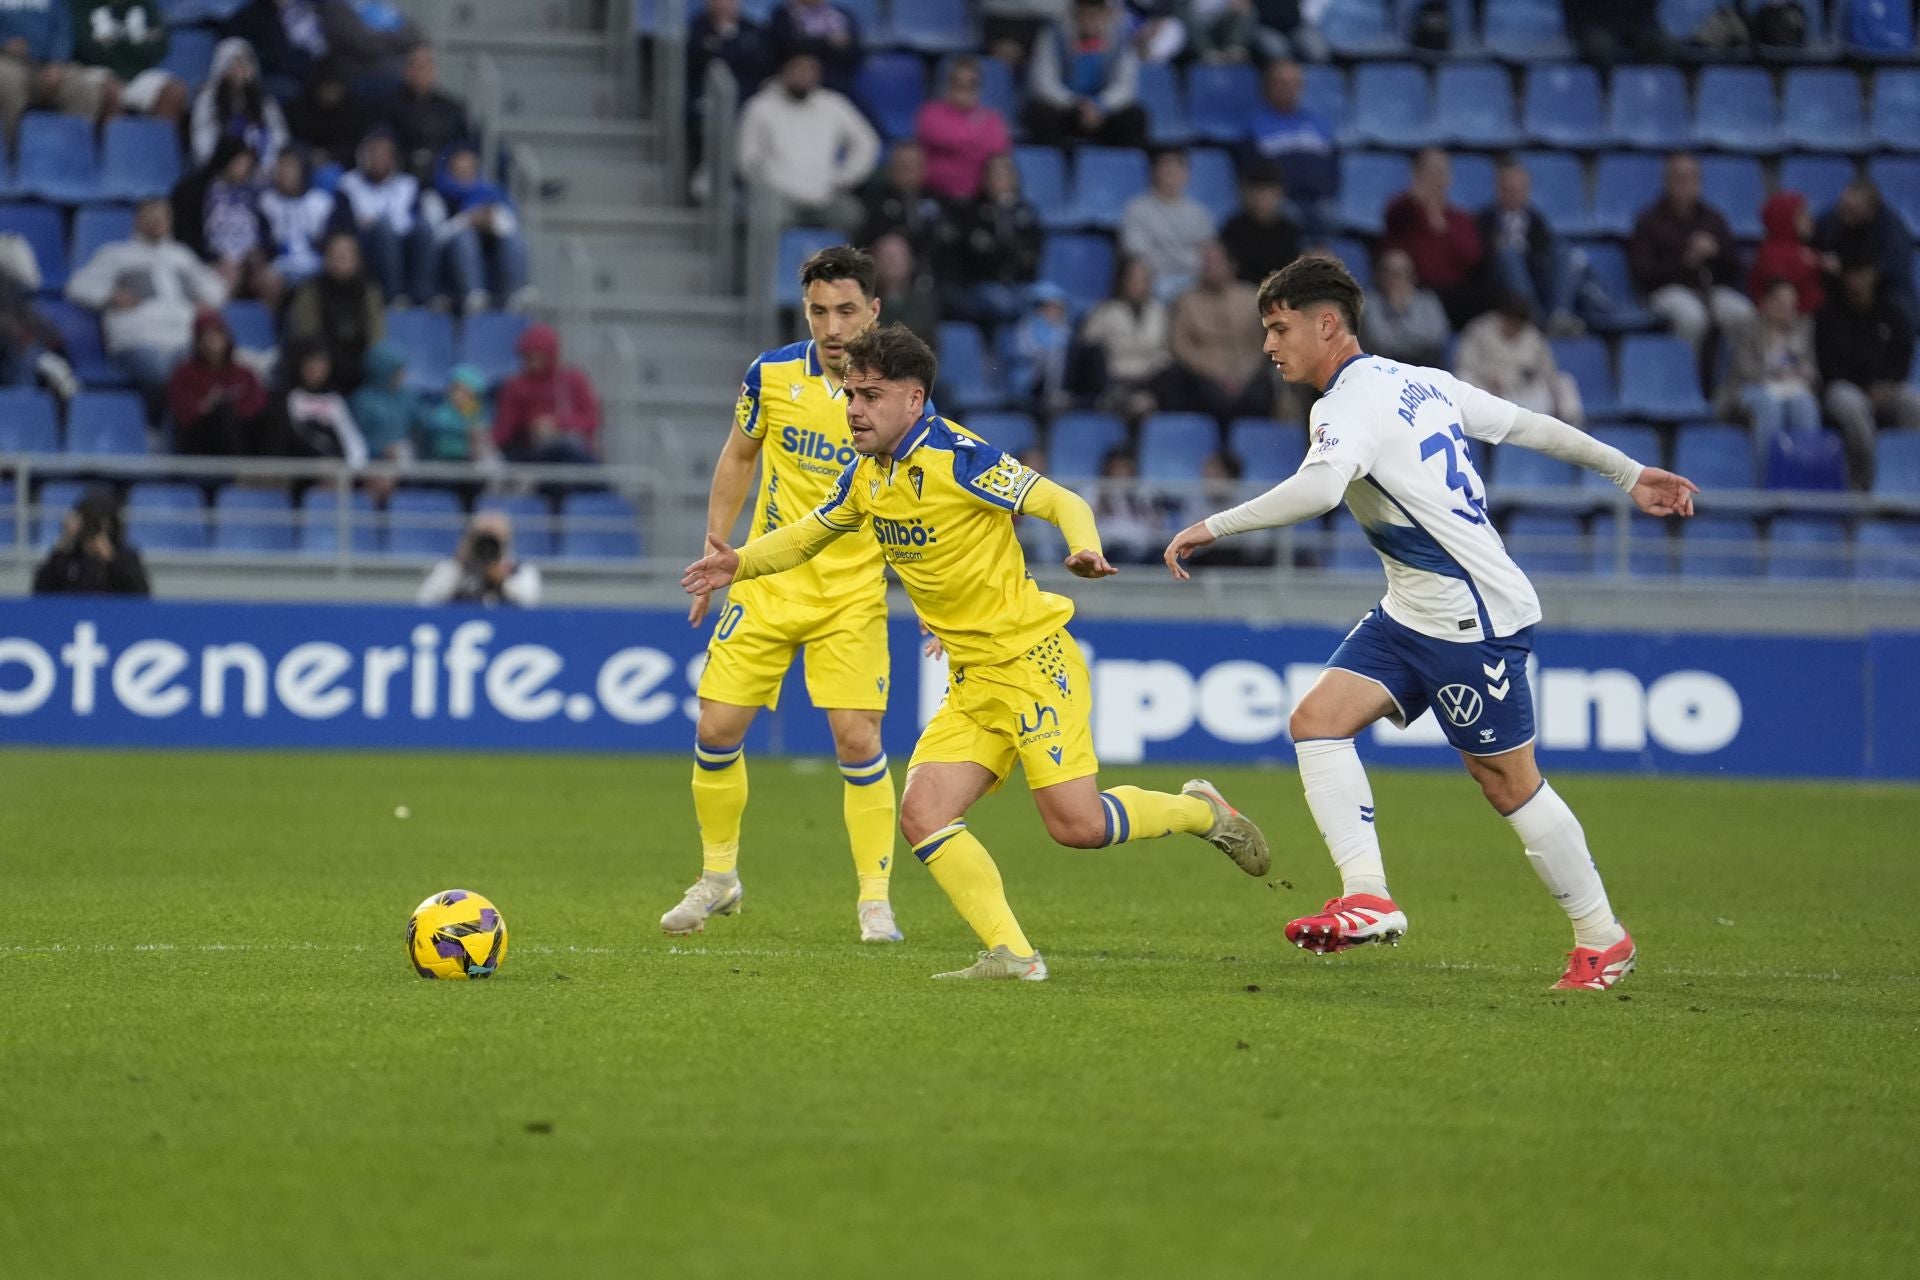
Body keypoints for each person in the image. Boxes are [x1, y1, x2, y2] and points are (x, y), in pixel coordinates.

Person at [1162, 254, 1700, 990]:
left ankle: (1602, 937)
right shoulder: (1418, 381)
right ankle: (1368, 898)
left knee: (1509, 783)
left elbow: (1321, 490)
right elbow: (1530, 426)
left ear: (1328, 324)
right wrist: (1630, 473)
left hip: (1469, 616)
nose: (1269, 345)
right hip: (1412, 607)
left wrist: (1212, 526)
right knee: (1316, 722)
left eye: (1280, 327)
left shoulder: (1344, 404)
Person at [682, 322, 1272, 981]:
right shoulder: (868, 475)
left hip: (1032, 663)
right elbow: (808, 535)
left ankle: (1202, 811)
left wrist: (1084, 546)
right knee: (923, 813)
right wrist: (739, 562)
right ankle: (1014, 955)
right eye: (849, 394)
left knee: (1075, 827)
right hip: (973, 680)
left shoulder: (960, 457)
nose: (852, 409)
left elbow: (1058, 498)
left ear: (913, 399)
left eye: (869, 395)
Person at [658, 247, 903, 945]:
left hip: (851, 595)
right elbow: (739, 455)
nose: (832, 327)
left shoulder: (897, 392)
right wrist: (716, 548)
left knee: (857, 739)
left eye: (847, 311)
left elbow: (921, 502)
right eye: (820, 311)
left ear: (874, 312)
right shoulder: (770, 376)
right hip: (765, 584)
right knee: (716, 729)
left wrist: (940, 602)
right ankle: (719, 878)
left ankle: (875, 900)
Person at [65, 197, 228, 415]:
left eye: (162, 216)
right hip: (139, 339)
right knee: (168, 375)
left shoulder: (181, 256)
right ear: (137, 220)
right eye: (150, 215)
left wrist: (205, 302)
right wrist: (110, 296)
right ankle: (156, 429)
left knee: (213, 370)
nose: (156, 220)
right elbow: (78, 286)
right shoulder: (116, 254)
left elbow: (216, 290)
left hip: (183, 339)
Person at [1629, 152, 1756, 357]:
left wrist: (1716, 252)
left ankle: (1731, 383)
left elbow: (1736, 265)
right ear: (1667, 181)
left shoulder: (1713, 218)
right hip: (1667, 291)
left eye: (1692, 178)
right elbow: (1643, 273)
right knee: (1692, 318)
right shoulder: (1648, 221)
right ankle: (1685, 381)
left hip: (1711, 289)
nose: (1686, 184)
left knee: (1742, 313)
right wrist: (1684, 262)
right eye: (1679, 178)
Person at [735, 52, 879, 235]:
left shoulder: (833, 104)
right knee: (765, 214)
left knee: (852, 214)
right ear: (784, 71)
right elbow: (747, 158)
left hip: (824, 195)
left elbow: (867, 142)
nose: (803, 75)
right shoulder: (761, 106)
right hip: (779, 196)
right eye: (798, 69)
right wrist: (765, 182)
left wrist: (845, 177)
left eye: (810, 70)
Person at [1816, 260, 1920, 491]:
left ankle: (1911, 477)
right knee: (1852, 404)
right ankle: (1866, 481)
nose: (1858, 282)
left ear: (1873, 275)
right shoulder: (1830, 314)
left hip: (1885, 388)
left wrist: (1889, 384)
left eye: (1863, 274)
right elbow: (1828, 365)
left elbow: (1902, 355)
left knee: (1914, 404)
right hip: (1841, 387)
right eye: (1853, 275)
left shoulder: (1892, 311)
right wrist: (1865, 388)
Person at [1382, 148, 1488, 329]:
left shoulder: (1460, 219)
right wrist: (1416, 200)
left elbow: (1472, 258)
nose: (1436, 178)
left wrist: (1444, 229)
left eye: (1442, 171)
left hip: (1455, 293)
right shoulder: (1405, 211)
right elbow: (1392, 217)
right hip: (1417, 290)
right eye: (1430, 171)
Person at [1479, 158, 1583, 337]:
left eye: (1518, 189)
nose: (1513, 193)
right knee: (1508, 254)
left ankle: (1560, 315)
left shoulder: (1536, 221)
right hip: (1500, 285)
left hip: (1536, 278)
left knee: (1569, 253)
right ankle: (1533, 319)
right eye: (1508, 188)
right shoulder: (1484, 220)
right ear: (1498, 190)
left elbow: (1543, 253)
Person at [1167, 240, 1269, 421]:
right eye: (1206, 262)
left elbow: (1260, 344)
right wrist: (1218, 375)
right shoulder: (1186, 301)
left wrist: (1244, 375)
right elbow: (1181, 346)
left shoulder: (1251, 299)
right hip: (1204, 376)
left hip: (1246, 375)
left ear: (1231, 266)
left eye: (1216, 262)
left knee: (1263, 392)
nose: (1209, 268)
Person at [1023, 0, 1148, 148]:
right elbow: (1044, 82)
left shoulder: (1121, 38)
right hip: (1065, 108)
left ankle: (1117, 166)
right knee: (1040, 113)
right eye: (1085, 16)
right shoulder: (1054, 35)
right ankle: (1056, 165)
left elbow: (1125, 86)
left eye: (1096, 16)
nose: (1090, 22)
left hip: (1103, 111)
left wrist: (1100, 105)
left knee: (1134, 117)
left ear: (1106, 15)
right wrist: (1076, 104)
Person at [431, 140, 531, 312]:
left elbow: (510, 228)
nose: (464, 173)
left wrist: (491, 224)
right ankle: (474, 296)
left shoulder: (492, 194)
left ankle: (516, 295)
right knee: (465, 238)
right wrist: (466, 221)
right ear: (450, 169)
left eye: (469, 167)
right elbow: (435, 237)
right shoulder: (436, 197)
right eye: (459, 168)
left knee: (513, 238)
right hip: (447, 266)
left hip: (491, 261)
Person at [1453, 292, 1582, 424]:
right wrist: (1489, 378)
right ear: (1501, 317)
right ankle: (1480, 432)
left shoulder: (1532, 334)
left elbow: (1548, 369)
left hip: (1524, 390)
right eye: (1510, 322)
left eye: (1518, 324)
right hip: (1489, 389)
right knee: (1464, 378)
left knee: (1564, 381)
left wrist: (1533, 378)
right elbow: (1465, 364)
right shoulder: (1479, 329)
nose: (1513, 327)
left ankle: (1573, 427)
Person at [335, 127, 429, 307]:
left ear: (394, 159)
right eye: (374, 153)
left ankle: (423, 296)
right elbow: (343, 221)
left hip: (403, 240)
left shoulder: (408, 184)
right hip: (366, 243)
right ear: (363, 156)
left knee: (423, 228)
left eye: (385, 154)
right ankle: (394, 296)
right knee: (384, 228)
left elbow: (414, 216)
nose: (379, 158)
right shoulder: (348, 183)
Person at [1244, 58, 1337, 240]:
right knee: (1290, 221)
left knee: (1331, 216)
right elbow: (1251, 173)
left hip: (1319, 199)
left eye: (1295, 83)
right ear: (1268, 87)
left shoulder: (1319, 124)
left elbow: (1333, 167)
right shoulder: (1255, 127)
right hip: (1282, 201)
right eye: (1282, 83)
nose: (1289, 89)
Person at [950, 151, 1042, 328]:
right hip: (982, 284)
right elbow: (973, 256)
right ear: (984, 179)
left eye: (1005, 173)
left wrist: (999, 249)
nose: (1000, 179)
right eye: (995, 174)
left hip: (1019, 283)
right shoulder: (972, 212)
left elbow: (1033, 253)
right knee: (1002, 303)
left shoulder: (1026, 212)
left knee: (1038, 302)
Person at [285, 230, 383, 391]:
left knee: (384, 361)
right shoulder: (310, 290)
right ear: (326, 258)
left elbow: (376, 335)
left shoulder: (369, 291)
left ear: (357, 259)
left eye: (346, 254)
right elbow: (308, 333)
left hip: (359, 358)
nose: (341, 259)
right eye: (336, 254)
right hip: (323, 359)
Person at [0, 0, 110, 143]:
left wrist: (57, 61)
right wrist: (4, 44)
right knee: (6, 82)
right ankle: (10, 154)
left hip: (47, 65)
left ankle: (67, 152)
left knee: (83, 88)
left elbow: (63, 28)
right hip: (7, 61)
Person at [492, 322, 600, 464]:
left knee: (569, 452)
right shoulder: (515, 386)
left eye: (539, 357)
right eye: (528, 358)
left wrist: (556, 424)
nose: (534, 363)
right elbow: (505, 430)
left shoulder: (573, 379)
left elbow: (591, 419)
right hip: (534, 453)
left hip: (572, 452)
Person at [167, 309, 270, 456]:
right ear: (198, 340)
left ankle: (273, 468)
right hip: (202, 441)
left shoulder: (244, 373)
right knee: (223, 411)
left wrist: (233, 405)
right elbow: (184, 414)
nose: (213, 339)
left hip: (244, 433)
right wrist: (209, 405)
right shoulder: (183, 375)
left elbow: (258, 404)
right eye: (207, 334)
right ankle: (239, 471)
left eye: (217, 333)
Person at [1079, 253, 1172, 415]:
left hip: (1150, 380)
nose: (1137, 285)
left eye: (1143, 280)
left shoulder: (1161, 313)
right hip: (1114, 379)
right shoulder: (1104, 311)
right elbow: (1087, 343)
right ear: (1123, 280)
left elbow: (1166, 351)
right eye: (1132, 279)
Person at [1119, 147, 1215, 302]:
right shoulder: (1136, 209)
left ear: (1186, 174)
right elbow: (1136, 251)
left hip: (1193, 279)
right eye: (1165, 169)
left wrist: (1178, 262)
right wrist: (1180, 260)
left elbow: (1205, 254)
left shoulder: (1199, 213)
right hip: (1153, 278)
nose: (1170, 175)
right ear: (1154, 173)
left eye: (1176, 169)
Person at [70, 0, 189, 125]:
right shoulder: (81, 5)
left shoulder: (144, 4)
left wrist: (112, 43)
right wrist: (135, 43)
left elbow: (159, 48)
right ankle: (111, 143)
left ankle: (155, 143)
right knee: (111, 92)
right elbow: (86, 50)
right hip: (92, 70)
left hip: (137, 73)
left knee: (173, 91)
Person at [1814, 178, 1914, 321]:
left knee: (1899, 303)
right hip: (1838, 286)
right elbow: (1814, 245)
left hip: (1883, 289)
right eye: (1842, 204)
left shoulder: (1892, 230)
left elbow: (1895, 267)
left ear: (1871, 208)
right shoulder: (1833, 219)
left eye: (1851, 208)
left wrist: (1851, 272)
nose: (1843, 211)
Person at [915, 56, 1010, 202]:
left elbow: (998, 145)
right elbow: (940, 136)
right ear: (948, 84)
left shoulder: (992, 117)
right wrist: (976, 139)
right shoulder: (931, 113)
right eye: (958, 82)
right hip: (936, 196)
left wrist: (959, 142)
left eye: (972, 84)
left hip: (978, 200)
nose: (964, 88)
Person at [190, 38, 289, 169]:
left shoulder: (264, 101)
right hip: (220, 168)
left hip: (260, 169)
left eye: (245, 64)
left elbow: (279, 135)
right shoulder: (207, 100)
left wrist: (267, 163)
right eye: (235, 65)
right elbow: (202, 140)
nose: (241, 71)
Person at [32, 488, 149, 596]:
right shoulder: (67, 556)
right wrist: (61, 547)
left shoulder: (125, 556)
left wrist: (113, 560)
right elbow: (39, 592)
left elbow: (142, 595)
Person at [268, 338, 366, 462]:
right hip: (301, 470)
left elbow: (353, 441)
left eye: (321, 364)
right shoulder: (286, 399)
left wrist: (349, 470)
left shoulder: (334, 400)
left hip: (336, 471)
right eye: (310, 363)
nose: (315, 369)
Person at [383, 44, 469, 183]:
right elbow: (383, 139)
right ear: (406, 70)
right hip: (400, 176)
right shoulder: (389, 106)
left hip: (445, 175)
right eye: (414, 66)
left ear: (434, 71)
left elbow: (464, 144)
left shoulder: (452, 108)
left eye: (425, 66)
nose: (419, 72)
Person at [417, 511, 540, 607]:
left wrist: (502, 581)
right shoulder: (453, 567)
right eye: (482, 536)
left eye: (493, 537)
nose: (487, 545)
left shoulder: (521, 570)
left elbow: (530, 604)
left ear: (506, 539)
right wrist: (459, 565)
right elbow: (425, 601)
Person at [858, 140, 948, 268]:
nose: (907, 172)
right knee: (892, 249)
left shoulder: (938, 199)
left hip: (935, 270)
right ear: (890, 169)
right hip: (886, 271)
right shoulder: (875, 200)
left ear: (923, 169)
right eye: (902, 165)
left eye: (913, 166)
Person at [260, 146, 339, 288]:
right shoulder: (266, 201)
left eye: (290, 166)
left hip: (316, 265)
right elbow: (264, 243)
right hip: (279, 265)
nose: (284, 172)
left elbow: (329, 242)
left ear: (303, 169)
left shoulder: (321, 202)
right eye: (281, 165)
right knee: (267, 278)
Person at [1360, 247, 1448, 368]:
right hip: (1384, 370)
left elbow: (1437, 338)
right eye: (1390, 273)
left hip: (1427, 367)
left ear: (1413, 276)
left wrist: (1401, 323)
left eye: (1403, 272)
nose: (1397, 278)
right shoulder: (1370, 303)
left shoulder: (1428, 301)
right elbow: (1380, 342)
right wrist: (1395, 310)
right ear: (1379, 276)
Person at [1218, 161, 1299, 288]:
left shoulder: (1289, 229)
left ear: (1279, 193)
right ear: (1245, 193)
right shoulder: (1233, 228)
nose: (1261, 198)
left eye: (1268, 191)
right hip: (1242, 294)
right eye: (1257, 190)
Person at [283, 56, 373, 167]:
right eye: (326, 88)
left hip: (343, 163)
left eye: (334, 88)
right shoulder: (300, 107)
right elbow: (293, 141)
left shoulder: (355, 108)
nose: (330, 93)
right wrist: (310, 154)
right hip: (306, 162)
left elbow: (356, 146)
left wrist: (330, 155)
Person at [1749, 191, 1823, 314]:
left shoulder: (1805, 248)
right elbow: (1780, 287)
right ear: (1785, 219)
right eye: (1802, 215)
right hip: (1786, 322)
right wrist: (1810, 265)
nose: (1809, 219)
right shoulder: (1770, 253)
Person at [767, 0, 861, 96]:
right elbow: (791, 47)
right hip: (796, 82)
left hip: (836, 81)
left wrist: (813, 43)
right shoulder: (783, 14)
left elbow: (854, 50)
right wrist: (828, 42)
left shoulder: (840, 14)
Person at [348, 339, 415, 464]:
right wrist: (380, 450)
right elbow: (352, 439)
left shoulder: (407, 397)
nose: (402, 375)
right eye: (397, 371)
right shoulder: (362, 400)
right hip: (374, 467)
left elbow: (423, 423)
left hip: (406, 465)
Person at [1091, 447, 1163, 563]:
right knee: (1121, 554)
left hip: (1143, 550)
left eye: (1125, 467)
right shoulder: (1094, 491)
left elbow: (1156, 524)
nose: (1121, 472)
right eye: (1116, 468)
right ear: (1107, 469)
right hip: (1110, 549)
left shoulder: (1145, 491)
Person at [870, 231, 940, 349]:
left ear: (911, 262)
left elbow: (929, 347)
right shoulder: (862, 303)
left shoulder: (924, 304)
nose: (892, 262)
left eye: (898, 257)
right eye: (886, 257)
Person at [415, 362, 493, 463]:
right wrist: (466, 430)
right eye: (455, 389)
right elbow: (435, 424)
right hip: (445, 459)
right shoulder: (442, 412)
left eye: (465, 391)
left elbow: (483, 429)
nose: (458, 394)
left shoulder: (477, 411)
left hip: (473, 460)